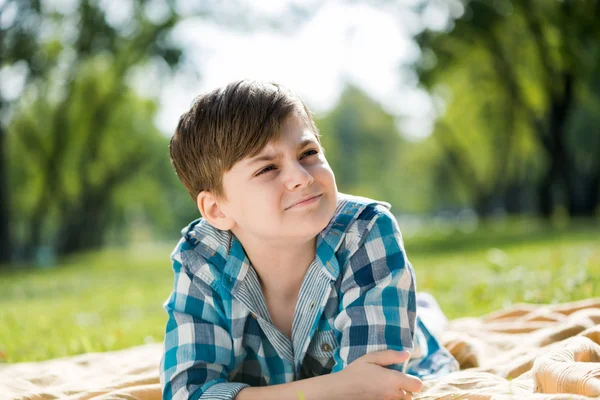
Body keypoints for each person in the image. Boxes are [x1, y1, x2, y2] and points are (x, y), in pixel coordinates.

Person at [160, 80, 459, 400]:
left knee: (423, 326)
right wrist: (335, 387)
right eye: (267, 168)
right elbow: (187, 394)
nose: (301, 177)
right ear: (217, 209)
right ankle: (425, 308)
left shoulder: (365, 230)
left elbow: (373, 388)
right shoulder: (201, 258)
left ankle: (423, 313)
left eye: (309, 152)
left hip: (407, 346)